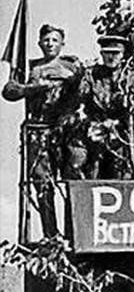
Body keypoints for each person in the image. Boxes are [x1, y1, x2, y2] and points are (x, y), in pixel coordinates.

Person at [2, 23, 82, 235]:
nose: (50, 44)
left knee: (70, 181)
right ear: (39, 43)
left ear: (62, 44)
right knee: (42, 184)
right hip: (37, 130)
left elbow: (83, 93)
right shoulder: (33, 68)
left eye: (54, 40)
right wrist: (36, 87)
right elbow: (9, 90)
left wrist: (71, 81)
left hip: (64, 132)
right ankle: (51, 234)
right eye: (46, 40)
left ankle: (73, 232)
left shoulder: (72, 67)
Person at [68, 34, 131, 180]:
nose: (111, 57)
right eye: (107, 52)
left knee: (121, 175)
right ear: (101, 54)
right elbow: (79, 99)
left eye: (116, 53)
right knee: (92, 172)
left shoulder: (130, 77)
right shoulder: (91, 75)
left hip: (122, 134)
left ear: (123, 55)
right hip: (95, 131)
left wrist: (117, 123)